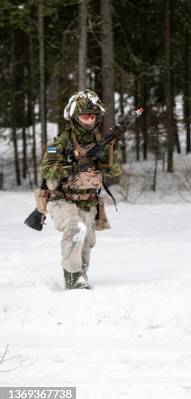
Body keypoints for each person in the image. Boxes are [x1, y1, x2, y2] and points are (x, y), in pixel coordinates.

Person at [41, 89, 122, 290]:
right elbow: (47, 170)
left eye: (93, 116)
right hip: (62, 199)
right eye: (85, 116)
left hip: (88, 200)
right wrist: (74, 167)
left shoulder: (100, 142)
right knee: (75, 229)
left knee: (86, 244)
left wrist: (106, 156)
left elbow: (115, 170)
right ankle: (73, 278)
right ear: (76, 117)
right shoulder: (60, 142)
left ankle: (81, 276)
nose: (90, 120)